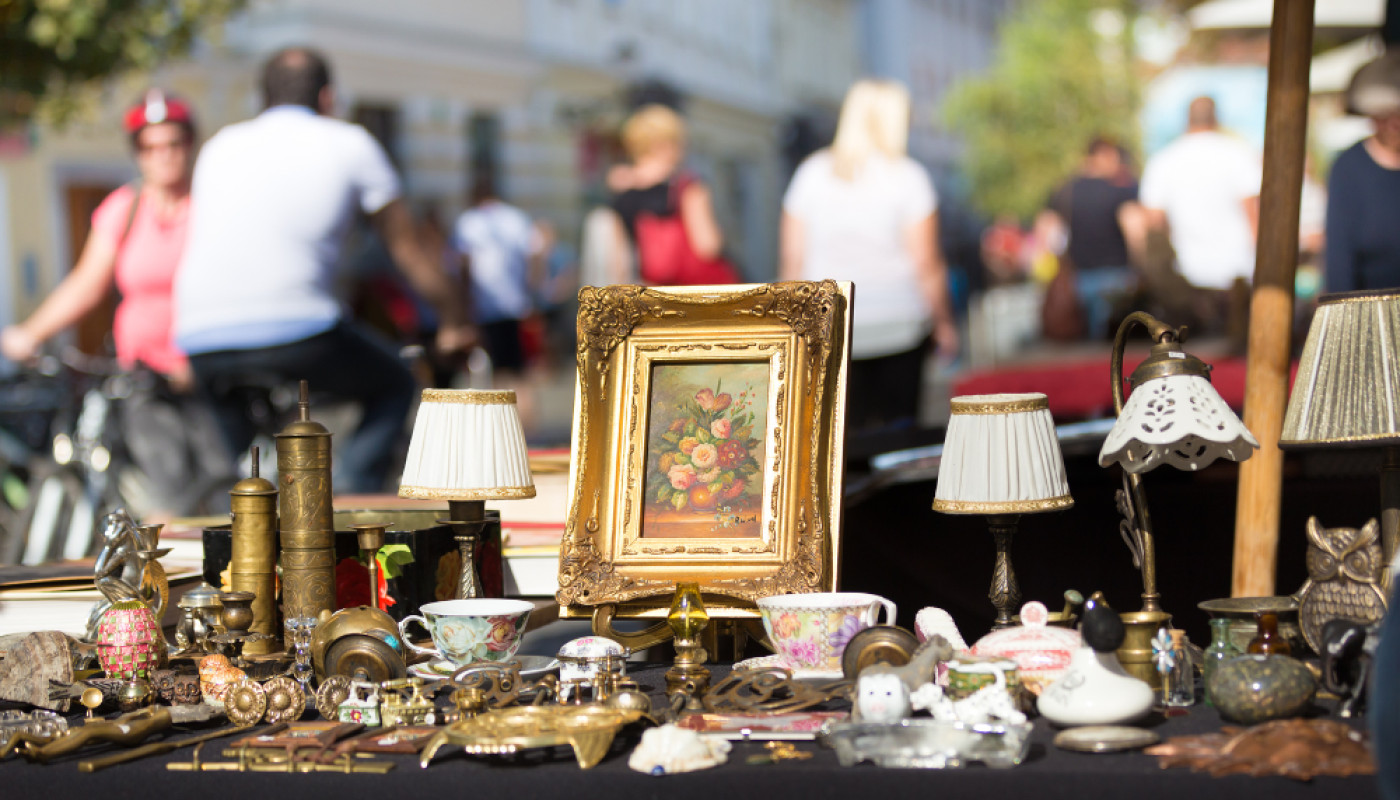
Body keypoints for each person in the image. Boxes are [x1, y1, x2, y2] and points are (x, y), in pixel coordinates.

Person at [173, 47, 473, 493]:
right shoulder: (350, 143)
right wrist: (455, 320)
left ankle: (244, 522)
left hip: (200, 336)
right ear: (328, 98)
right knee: (394, 383)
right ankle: (351, 505)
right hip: (298, 330)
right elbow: (407, 251)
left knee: (247, 478)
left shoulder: (220, 145)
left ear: (263, 98)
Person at [0, 90, 232, 515]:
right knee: (157, 496)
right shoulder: (124, 209)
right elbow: (86, 284)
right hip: (142, 379)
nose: (163, 156)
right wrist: (29, 334)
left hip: (206, 378)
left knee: (217, 495)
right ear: (138, 154)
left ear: (190, 146)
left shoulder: (212, 207)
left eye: (173, 144)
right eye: (150, 147)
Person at [779, 79, 957, 430]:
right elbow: (926, 262)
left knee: (838, 439)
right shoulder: (908, 177)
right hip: (900, 320)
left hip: (831, 325)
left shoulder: (811, 174)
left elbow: (792, 259)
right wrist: (944, 322)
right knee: (898, 433)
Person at [1139, 96, 1261, 338]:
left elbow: (1153, 223)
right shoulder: (1238, 153)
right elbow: (1254, 212)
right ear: (1216, 117)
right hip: (1238, 271)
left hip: (1184, 276)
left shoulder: (1163, 160)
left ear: (1186, 119)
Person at [607, 104, 737, 286]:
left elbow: (619, 261)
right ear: (666, 143)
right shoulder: (687, 185)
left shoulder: (622, 193)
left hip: (660, 293)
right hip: (704, 289)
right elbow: (708, 245)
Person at [452, 174, 543, 422]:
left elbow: (462, 266)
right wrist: (531, 290)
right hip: (516, 305)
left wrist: (462, 304)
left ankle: (500, 426)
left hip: (484, 307)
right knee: (520, 371)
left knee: (492, 372)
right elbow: (535, 254)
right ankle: (528, 427)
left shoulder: (469, 222)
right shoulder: (515, 217)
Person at [1037, 137, 1145, 339]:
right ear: (1104, 156)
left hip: (1078, 279)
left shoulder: (1065, 190)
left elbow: (1045, 231)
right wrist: (1141, 265)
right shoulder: (1119, 190)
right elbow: (1134, 230)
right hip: (1118, 277)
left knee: (1085, 342)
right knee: (1116, 343)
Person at [1326, 49, 1400, 292]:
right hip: (1370, 315)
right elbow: (1338, 259)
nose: (1394, 123)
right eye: (1384, 114)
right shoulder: (1348, 168)